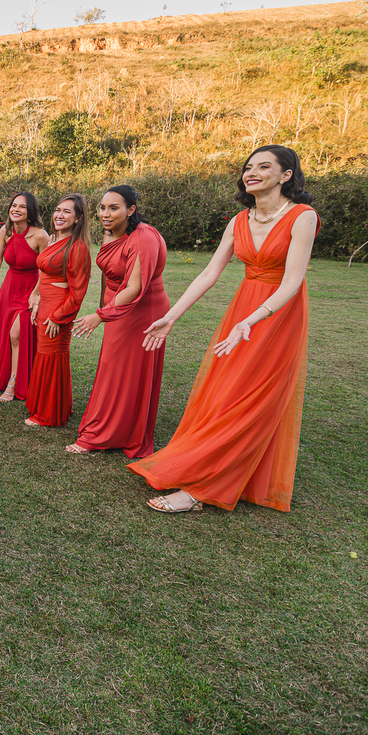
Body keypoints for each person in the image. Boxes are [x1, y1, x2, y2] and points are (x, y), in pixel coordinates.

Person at [128, 145, 320, 513]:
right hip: (243, 307)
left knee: (254, 395)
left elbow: (292, 281)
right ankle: (209, 465)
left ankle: (202, 489)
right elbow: (208, 274)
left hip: (278, 313)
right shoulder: (239, 220)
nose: (252, 173)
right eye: (249, 167)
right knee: (225, 392)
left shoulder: (303, 216)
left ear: (286, 175)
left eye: (264, 167)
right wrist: (172, 316)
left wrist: (251, 320)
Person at [69, 186, 170, 457]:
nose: (105, 213)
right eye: (102, 207)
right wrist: (105, 306)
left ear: (131, 210)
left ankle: (106, 434)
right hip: (116, 307)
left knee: (125, 371)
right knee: (112, 367)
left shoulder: (143, 237)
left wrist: (100, 315)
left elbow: (134, 288)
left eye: (114, 208)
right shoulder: (111, 232)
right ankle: (112, 426)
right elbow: (108, 274)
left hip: (142, 310)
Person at [24, 195, 92, 428]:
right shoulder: (54, 239)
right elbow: (45, 274)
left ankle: (48, 414)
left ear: (78, 218)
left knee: (52, 358)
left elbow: (78, 292)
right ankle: (47, 406)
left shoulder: (78, 247)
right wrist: (37, 301)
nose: (59, 215)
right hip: (45, 306)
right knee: (44, 356)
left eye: (67, 212)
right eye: (57, 210)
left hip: (58, 311)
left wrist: (57, 316)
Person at [0, 192, 50, 402]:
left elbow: (46, 270)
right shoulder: (5, 231)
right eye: (14, 205)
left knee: (16, 335)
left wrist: (36, 294)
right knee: (5, 333)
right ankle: (1, 374)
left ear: (30, 211)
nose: (16, 209)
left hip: (30, 288)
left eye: (22, 207)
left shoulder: (41, 235)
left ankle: (14, 382)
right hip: (9, 287)